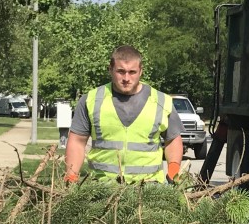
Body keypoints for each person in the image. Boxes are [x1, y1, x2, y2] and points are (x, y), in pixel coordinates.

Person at [64, 46, 183, 185]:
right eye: (121, 71)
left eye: (132, 72)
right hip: (101, 186)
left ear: (141, 71)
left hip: (149, 188)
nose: (126, 78)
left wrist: (173, 170)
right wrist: (71, 176)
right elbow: (77, 141)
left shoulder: (161, 102)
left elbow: (173, 140)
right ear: (110, 70)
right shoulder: (91, 100)